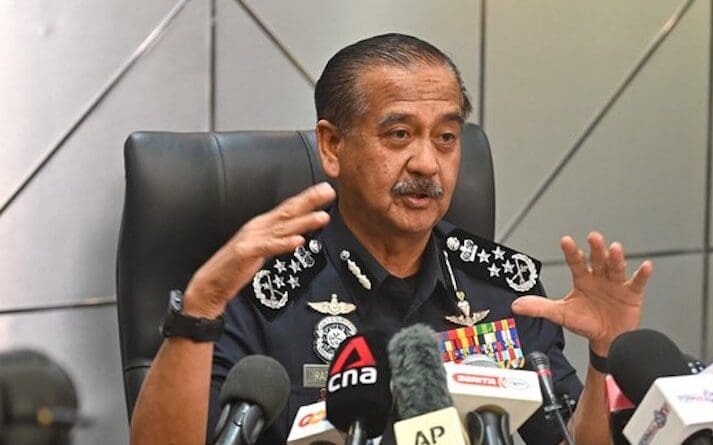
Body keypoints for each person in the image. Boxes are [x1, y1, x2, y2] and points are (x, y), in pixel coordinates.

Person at [129, 33, 652, 445]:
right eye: (399, 135)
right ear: (332, 146)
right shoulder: (262, 296)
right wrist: (200, 307)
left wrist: (603, 354)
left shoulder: (504, 288)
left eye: (446, 137)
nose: (427, 163)